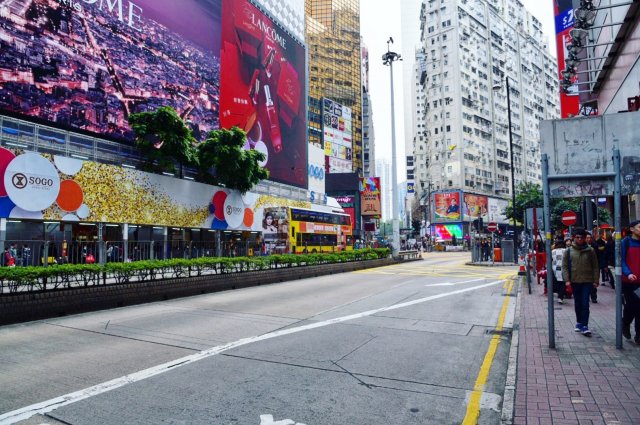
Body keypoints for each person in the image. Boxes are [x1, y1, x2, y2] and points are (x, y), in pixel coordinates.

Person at [563, 228, 600, 337]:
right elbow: (564, 266)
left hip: (587, 281)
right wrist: (567, 280)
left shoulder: (591, 250)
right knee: (578, 303)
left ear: (585, 238)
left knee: (585, 303)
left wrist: (596, 280)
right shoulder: (568, 251)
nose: (579, 239)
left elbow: (595, 267)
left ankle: (585, 325)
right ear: (574, 238)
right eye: (577, 237)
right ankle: (579, 322)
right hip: (574, 281)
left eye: (582, 237)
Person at [621, 220, 640, 343]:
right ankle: (625, 323)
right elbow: (621, 260)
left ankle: (639, 335)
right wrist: (628, 274)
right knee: (632, 306)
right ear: (632, 229)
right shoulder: (625, 242)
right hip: (629, 282)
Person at [586, 233, 598, 303]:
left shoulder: (595, 246)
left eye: (590, 238)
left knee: (593, 284)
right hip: (584, 268)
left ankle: (594, 297)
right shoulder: (581, 246)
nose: (589, 239)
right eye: (587, 238)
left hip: (593, 267)